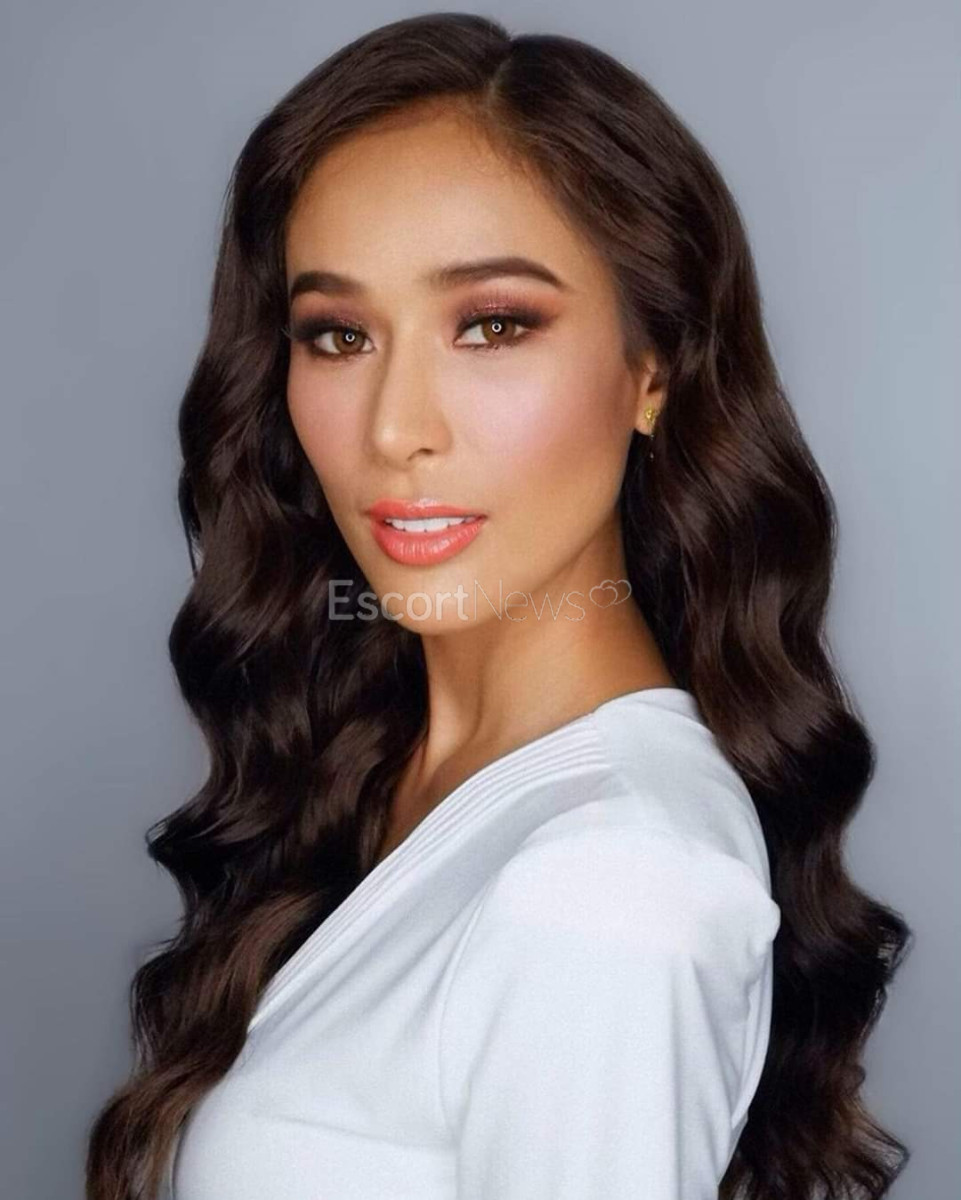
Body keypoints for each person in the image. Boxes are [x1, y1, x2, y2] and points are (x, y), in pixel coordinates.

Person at [85, 13, 911, 1200]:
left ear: (653, 369)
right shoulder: (389, 775)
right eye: (338, 336)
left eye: (492, 324)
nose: (394, 428)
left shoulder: (607, 878)